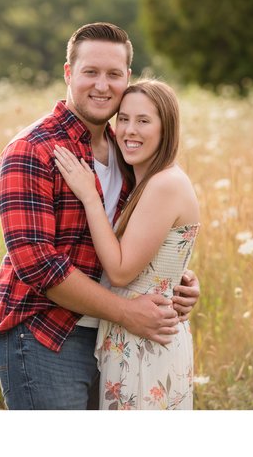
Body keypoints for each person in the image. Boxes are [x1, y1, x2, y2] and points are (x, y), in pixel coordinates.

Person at [0, 22, 200, 410]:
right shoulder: (33, 149)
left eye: (114, 74)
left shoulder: (127, 149)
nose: (102, 85)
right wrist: (126, 312)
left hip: (112, 336)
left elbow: (135, 239)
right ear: (69, 73)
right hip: (45, 336)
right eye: (91, 72)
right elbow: (36, 264)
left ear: (127, 79)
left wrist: (175, 279)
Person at [55, 80, 200, 409]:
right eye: (123, 118)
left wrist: (90, 196)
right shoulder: (144, 181)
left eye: (144, 121)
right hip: (134, 336)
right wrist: (184, 278)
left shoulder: (165, 184)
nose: (129, 131)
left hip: (146, 342)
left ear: (167, 128)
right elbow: (160, 258)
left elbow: (120, 272)